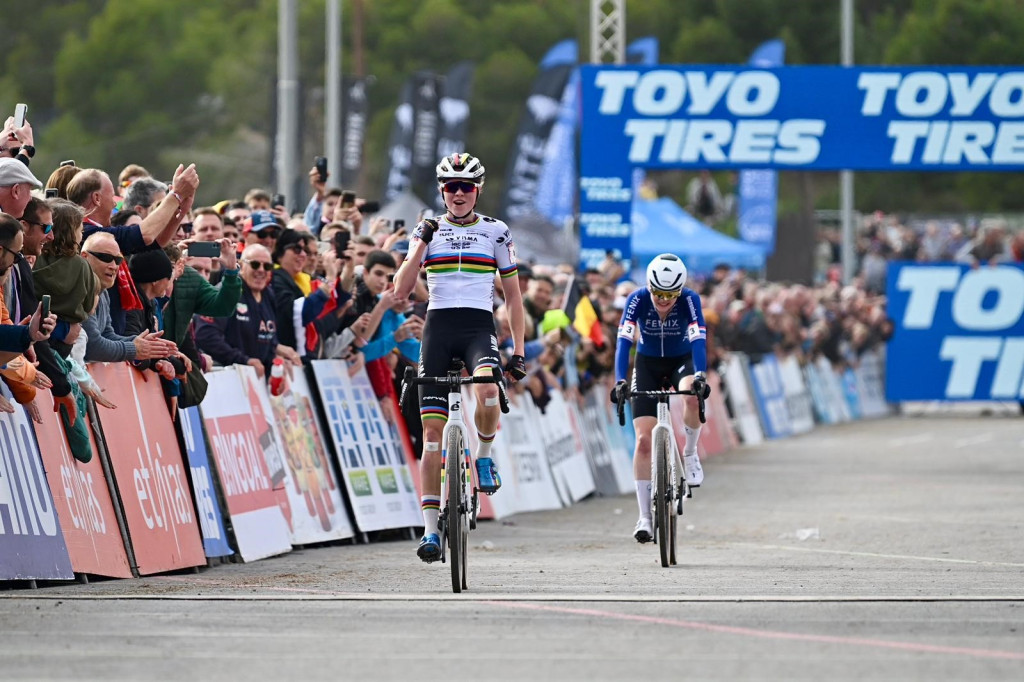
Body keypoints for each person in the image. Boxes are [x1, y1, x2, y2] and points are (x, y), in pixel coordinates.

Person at [393, 152, 526, 564]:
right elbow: (400, 290)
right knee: (432, 439)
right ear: (441, 190)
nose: (459, 194)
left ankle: (483, 458)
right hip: (438, 329)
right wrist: (419, 245)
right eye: (451, 187)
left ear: (478, 190)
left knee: (487, 387)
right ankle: (430, 531)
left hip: (477, 328)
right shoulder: (427, 230)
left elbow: (514, 297)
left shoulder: (496, 231)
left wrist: (518, 351)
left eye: (466, 186)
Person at [611, 253, 710, 544]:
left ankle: (690, 453)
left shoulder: (690, 300)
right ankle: (644, 516)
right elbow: (623, 343)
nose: (664, 300)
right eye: (658, 293)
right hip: (647, 365)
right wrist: (620, 379)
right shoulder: (636, 299)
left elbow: (699, 340)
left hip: (682, 361)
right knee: (643, 441)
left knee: (692, 393)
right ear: (648, 287)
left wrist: (701, 374)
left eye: (670, 294)